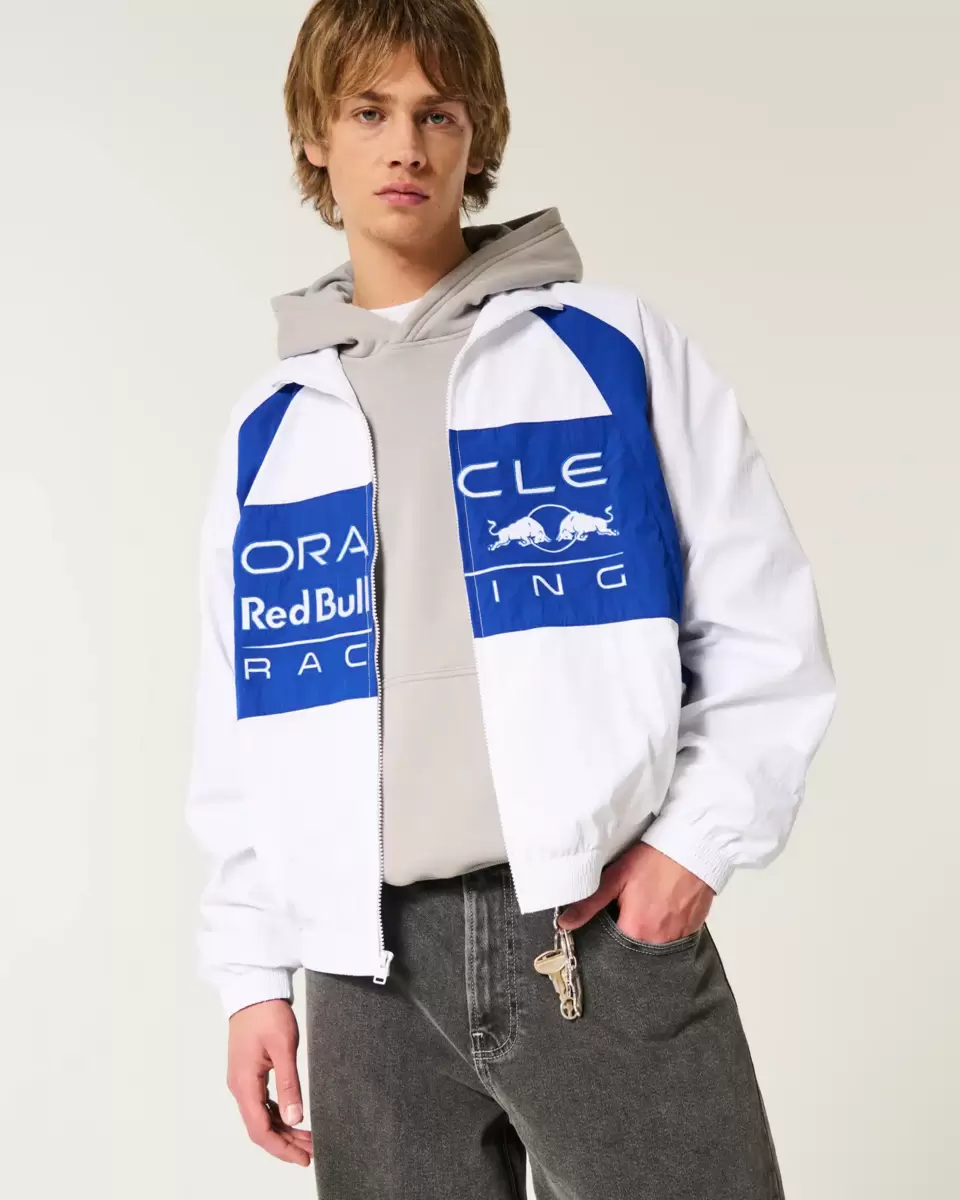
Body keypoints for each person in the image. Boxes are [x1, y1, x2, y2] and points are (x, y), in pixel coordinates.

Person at [184, 1, 837, 1196]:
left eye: (437, 113)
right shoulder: (271, 428)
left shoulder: (608, 348)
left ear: (476, 134)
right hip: (365, 975)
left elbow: (762, 623)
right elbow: (244, 717)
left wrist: (689, 851)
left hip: (594, 938)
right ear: (315, 137)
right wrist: (252, 975)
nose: (406, 145)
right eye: (368, 111)